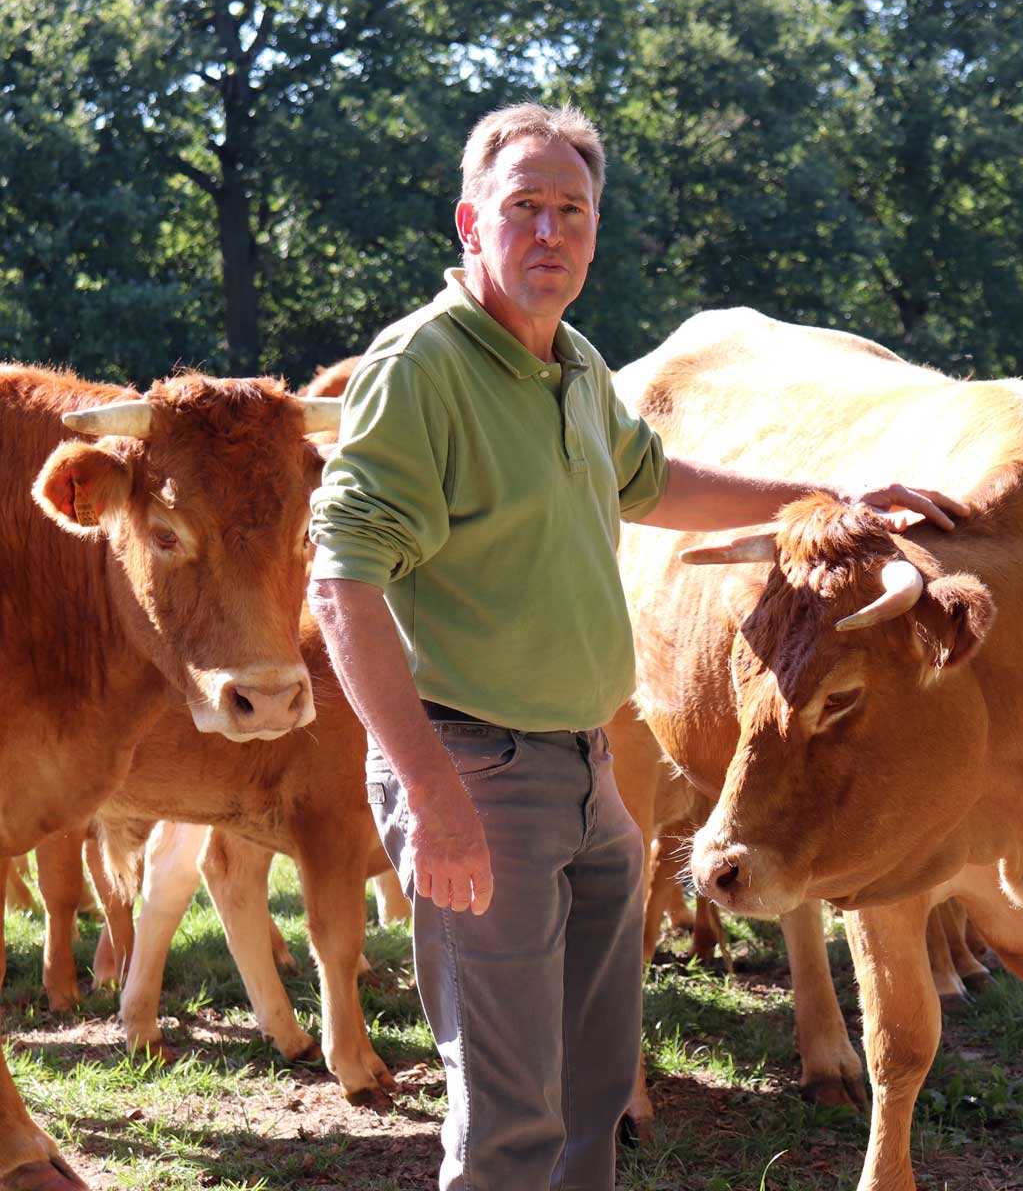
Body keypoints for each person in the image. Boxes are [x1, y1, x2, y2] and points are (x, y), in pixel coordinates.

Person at [307, 102, 967, 1191]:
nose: (549, 232)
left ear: (595, 231)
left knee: (595, 1091)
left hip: (591, 771)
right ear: (470, 223)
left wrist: (832, 493)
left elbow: (656, 483)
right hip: (476, 771)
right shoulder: (421, 368)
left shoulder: (573, 363)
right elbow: (340, 585)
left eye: (571, 210)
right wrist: (430, 792)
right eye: (524, 206)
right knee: (509, 1117)